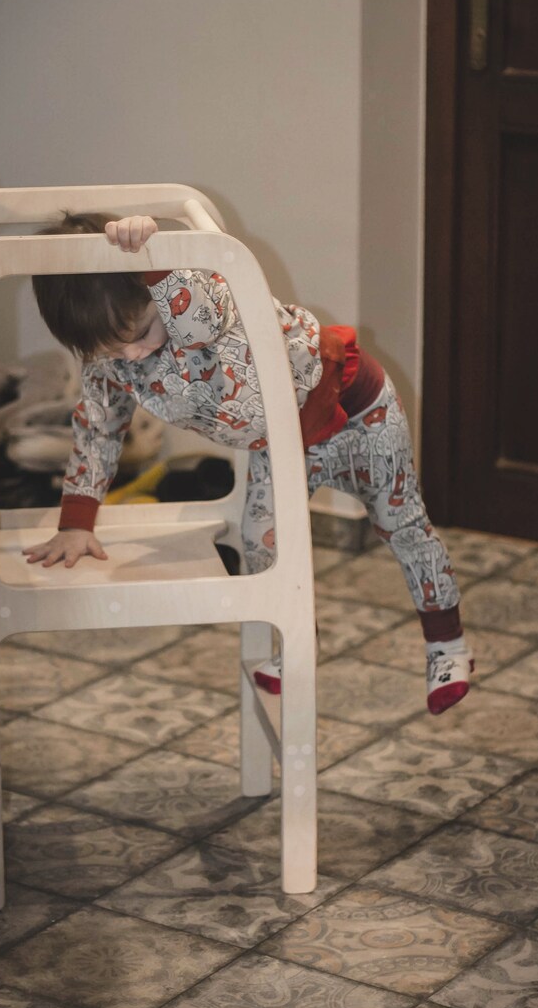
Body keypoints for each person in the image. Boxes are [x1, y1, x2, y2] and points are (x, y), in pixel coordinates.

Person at [26, 213, 473, 714]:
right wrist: (76, 521)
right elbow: (99, 424)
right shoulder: (114, 361)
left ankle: (447, 645)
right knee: (261, 540)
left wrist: (153, 259)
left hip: (359, 410)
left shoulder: (198, 298)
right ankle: (299, 640)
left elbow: (197, 310)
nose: (134, 351)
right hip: (280, 444)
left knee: (401, 521)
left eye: (143, 330)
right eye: (113, 348)